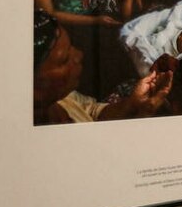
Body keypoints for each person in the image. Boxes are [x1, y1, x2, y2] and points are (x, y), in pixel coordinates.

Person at [33, 9, 173, 125]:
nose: (79, 55)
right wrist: (143, 116)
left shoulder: (65, 100)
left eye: (72, 47)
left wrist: (132, 103)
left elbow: (92, 112)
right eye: (64, 60)